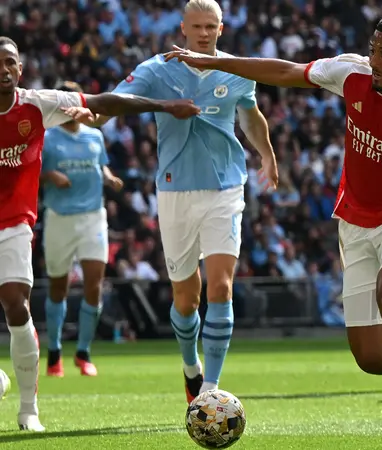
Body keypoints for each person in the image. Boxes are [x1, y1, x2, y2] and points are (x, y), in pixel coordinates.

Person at [166, 13, 382, 449]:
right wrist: (218, 62)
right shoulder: (353, 73)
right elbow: (286, 72)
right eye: (373, 48)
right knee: (372, 358)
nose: (375, 59)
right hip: (355, 220)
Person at [0, 36, 198, 432]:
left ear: (20, 69)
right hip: (57, 215)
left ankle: (28, 408)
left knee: (15, 305)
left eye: (10, 62)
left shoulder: (36, 105)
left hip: (14, 223)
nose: (4, 70)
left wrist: (162, 106)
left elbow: (105, 101)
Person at [100, 0, 278, 403]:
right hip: (175, 189)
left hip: (226, 187)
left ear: (221, 28)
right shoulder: (157, 69)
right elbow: (115, 101)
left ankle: (210, 391)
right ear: (182, 27)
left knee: (221, 287)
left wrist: (266, 153)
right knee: (186, 298)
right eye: (196, 26)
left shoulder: (237, 70)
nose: (203, 33)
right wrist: (92, 115)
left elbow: (250, 114)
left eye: (210, 26)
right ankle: (190, 366)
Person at [41, 81, 124, 378]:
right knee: (58, 287)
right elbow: (33, 173)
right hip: (60, 217)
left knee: (93, 284)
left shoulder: (95, 136)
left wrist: (110, 177)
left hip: (92, 217)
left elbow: (99, 165)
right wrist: (50, 175)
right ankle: (54, 353)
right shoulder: (48, 138)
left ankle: (84, 352)